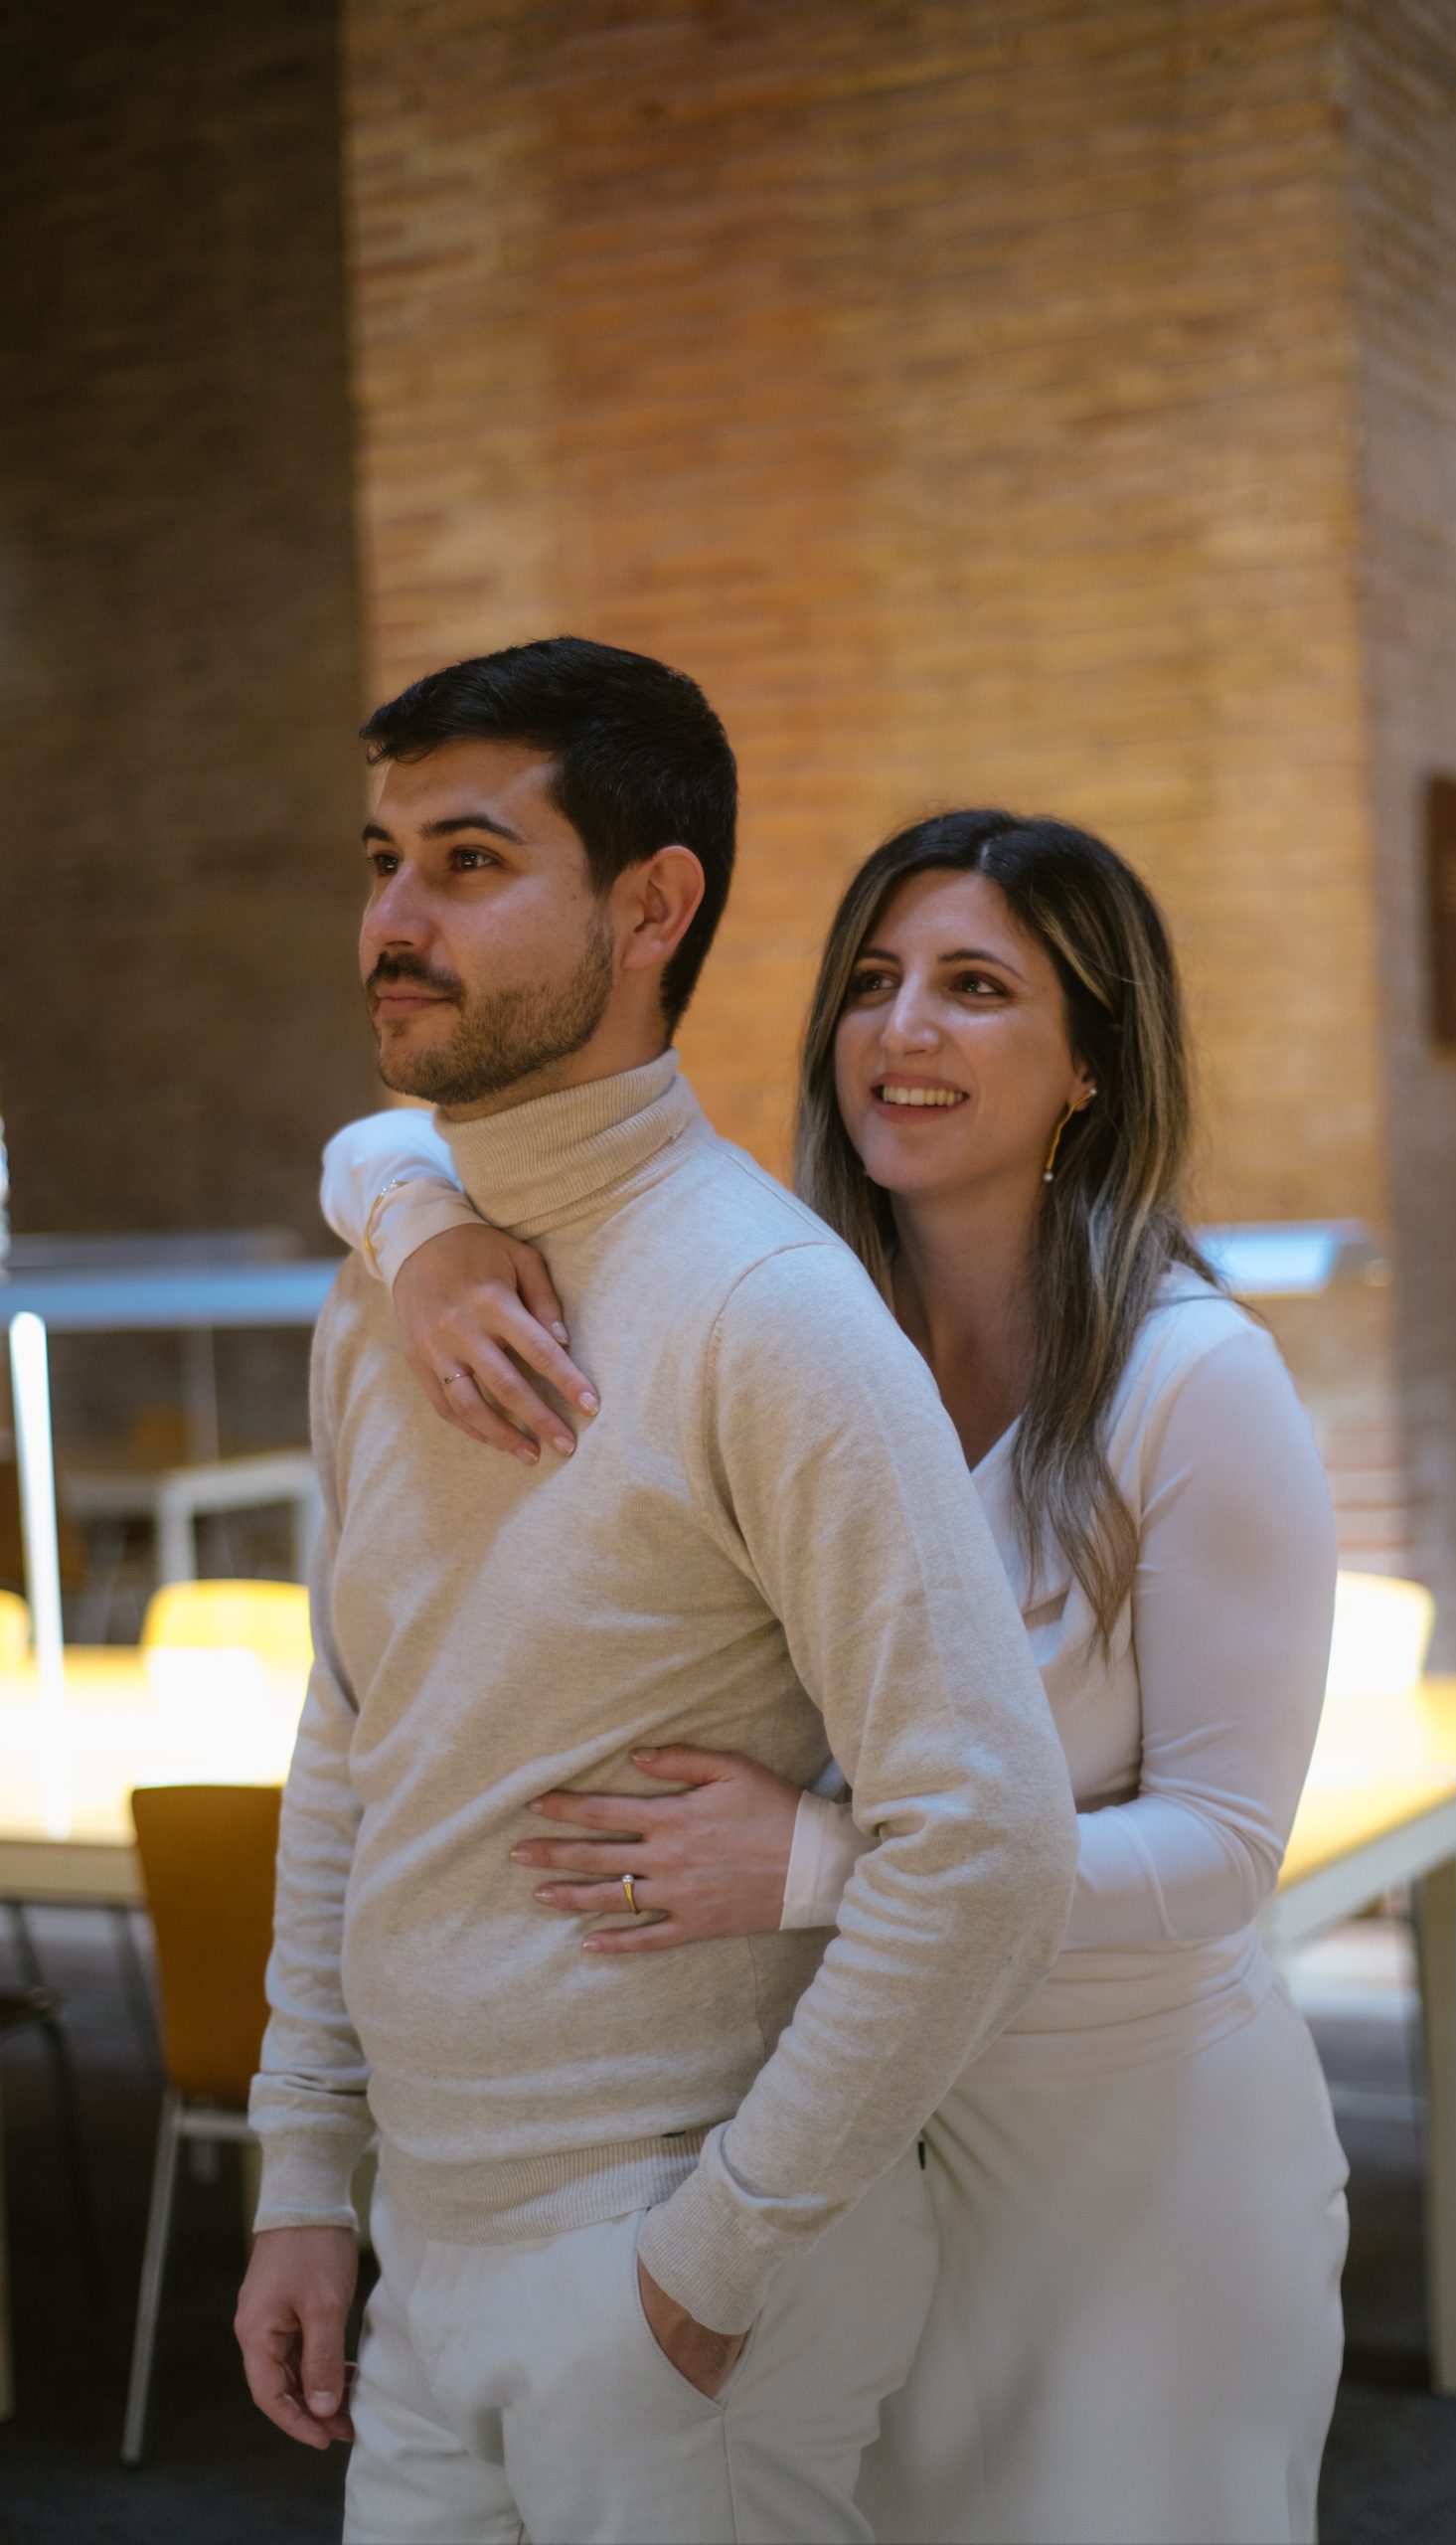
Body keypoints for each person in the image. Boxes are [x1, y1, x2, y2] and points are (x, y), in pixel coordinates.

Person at [321, 805, 1352, 2545]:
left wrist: (814, 1861)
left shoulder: (1197, 1383)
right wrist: (421, 1227)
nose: (903, 1029)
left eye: (976, 988)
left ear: (1091, 1062)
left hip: (1133, 2164)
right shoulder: (804, 1324)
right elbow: (375, 1138)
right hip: (859, 2140)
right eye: (873, 981)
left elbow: (1226, 1855)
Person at [237, 640, 1080, 2545]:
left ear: (651, 907)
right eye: (381, 862)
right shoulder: (390, 1292)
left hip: (665, 2256)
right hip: (429, 2241)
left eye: (470, 862)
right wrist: (304, 2166)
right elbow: (352, 1735)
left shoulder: (765, 1309)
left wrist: (713, 2261)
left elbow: (991, 1837)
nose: (393, 921)